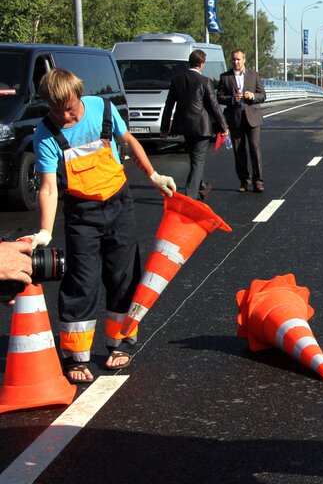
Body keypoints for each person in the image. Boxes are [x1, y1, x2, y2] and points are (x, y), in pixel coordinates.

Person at [33, 68, 176, 383]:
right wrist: (45, 230)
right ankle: (75, 357)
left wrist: (153, 176)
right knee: (81, 282)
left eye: (69, 108)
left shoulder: (103, 109)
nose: (65, 115)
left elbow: (129, 142)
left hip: (119, 204)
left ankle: (121, 343)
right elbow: (48, 187)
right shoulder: (45, 133)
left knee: (123, 277)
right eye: (57, 110)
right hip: (81, 213)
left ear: (79, 95)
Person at [161, 49, 228, 201]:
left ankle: (202, 186)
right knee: (198, 161)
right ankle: (189, 199)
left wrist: (165, 127)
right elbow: (214, 106)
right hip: (201, 128)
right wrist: (224, 126)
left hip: (184, 127)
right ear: (202, 64)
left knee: (195, 159)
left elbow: (169, 105)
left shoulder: (177, 80)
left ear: (190, 63)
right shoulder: (205, 81)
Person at [217, 49, 267, 193]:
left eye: (238, 59)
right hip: (235, 118)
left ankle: (258, 181)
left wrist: (253, 96)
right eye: (233, 59)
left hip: (253, 117)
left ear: (244, 60)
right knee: (239, 151)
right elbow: (219, 97)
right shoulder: (225, 77)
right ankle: (244, 180)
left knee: (254, 148)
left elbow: (263, 95)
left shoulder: (253, 75)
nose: (236, 62)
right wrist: (232, 99)